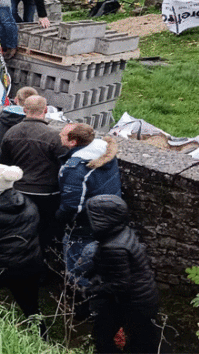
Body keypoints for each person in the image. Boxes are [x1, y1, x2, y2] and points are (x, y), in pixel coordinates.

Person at [0, 164, 45, 332]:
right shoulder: (28, 203)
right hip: (30, 262)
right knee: (31, 307)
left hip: (1, 268)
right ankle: (42, 338)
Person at [86, 195, 160, 354]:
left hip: (135, 303)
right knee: (105, 333)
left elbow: (121, 285)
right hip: (139, 296)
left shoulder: (114, 247)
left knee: (137, 344)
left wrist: (92, 291)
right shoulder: (122, 231)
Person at [57, 123, 121, 291]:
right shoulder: (105, 153)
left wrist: (59, 220)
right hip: (107, 219)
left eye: (62, 135)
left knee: (77, 269)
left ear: (73, 142)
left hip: (83, 226)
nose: (59, 136)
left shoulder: (75, 169)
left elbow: (72, 207)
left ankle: (82, 305)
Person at [0, 95, 68, 253]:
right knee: (44, 233)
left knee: (19, 230)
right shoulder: (54, 136)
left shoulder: (11, 132)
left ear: (24, 110)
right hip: (47, 194)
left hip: (19, 191)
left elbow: (3, 163)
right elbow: (64, 167)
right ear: (45, 110)